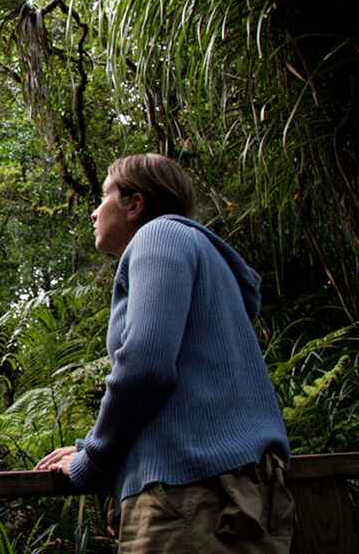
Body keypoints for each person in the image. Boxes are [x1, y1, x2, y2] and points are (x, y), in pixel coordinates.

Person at [35, 153, 294, 552]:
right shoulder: (207, 262)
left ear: (135, 204)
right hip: (239, 492)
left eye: (104, 196)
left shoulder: (159, 236)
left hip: (190, 497)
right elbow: (192, 390)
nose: (93, 211)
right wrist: (90, 444)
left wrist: (93, 462)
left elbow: (145, 366)